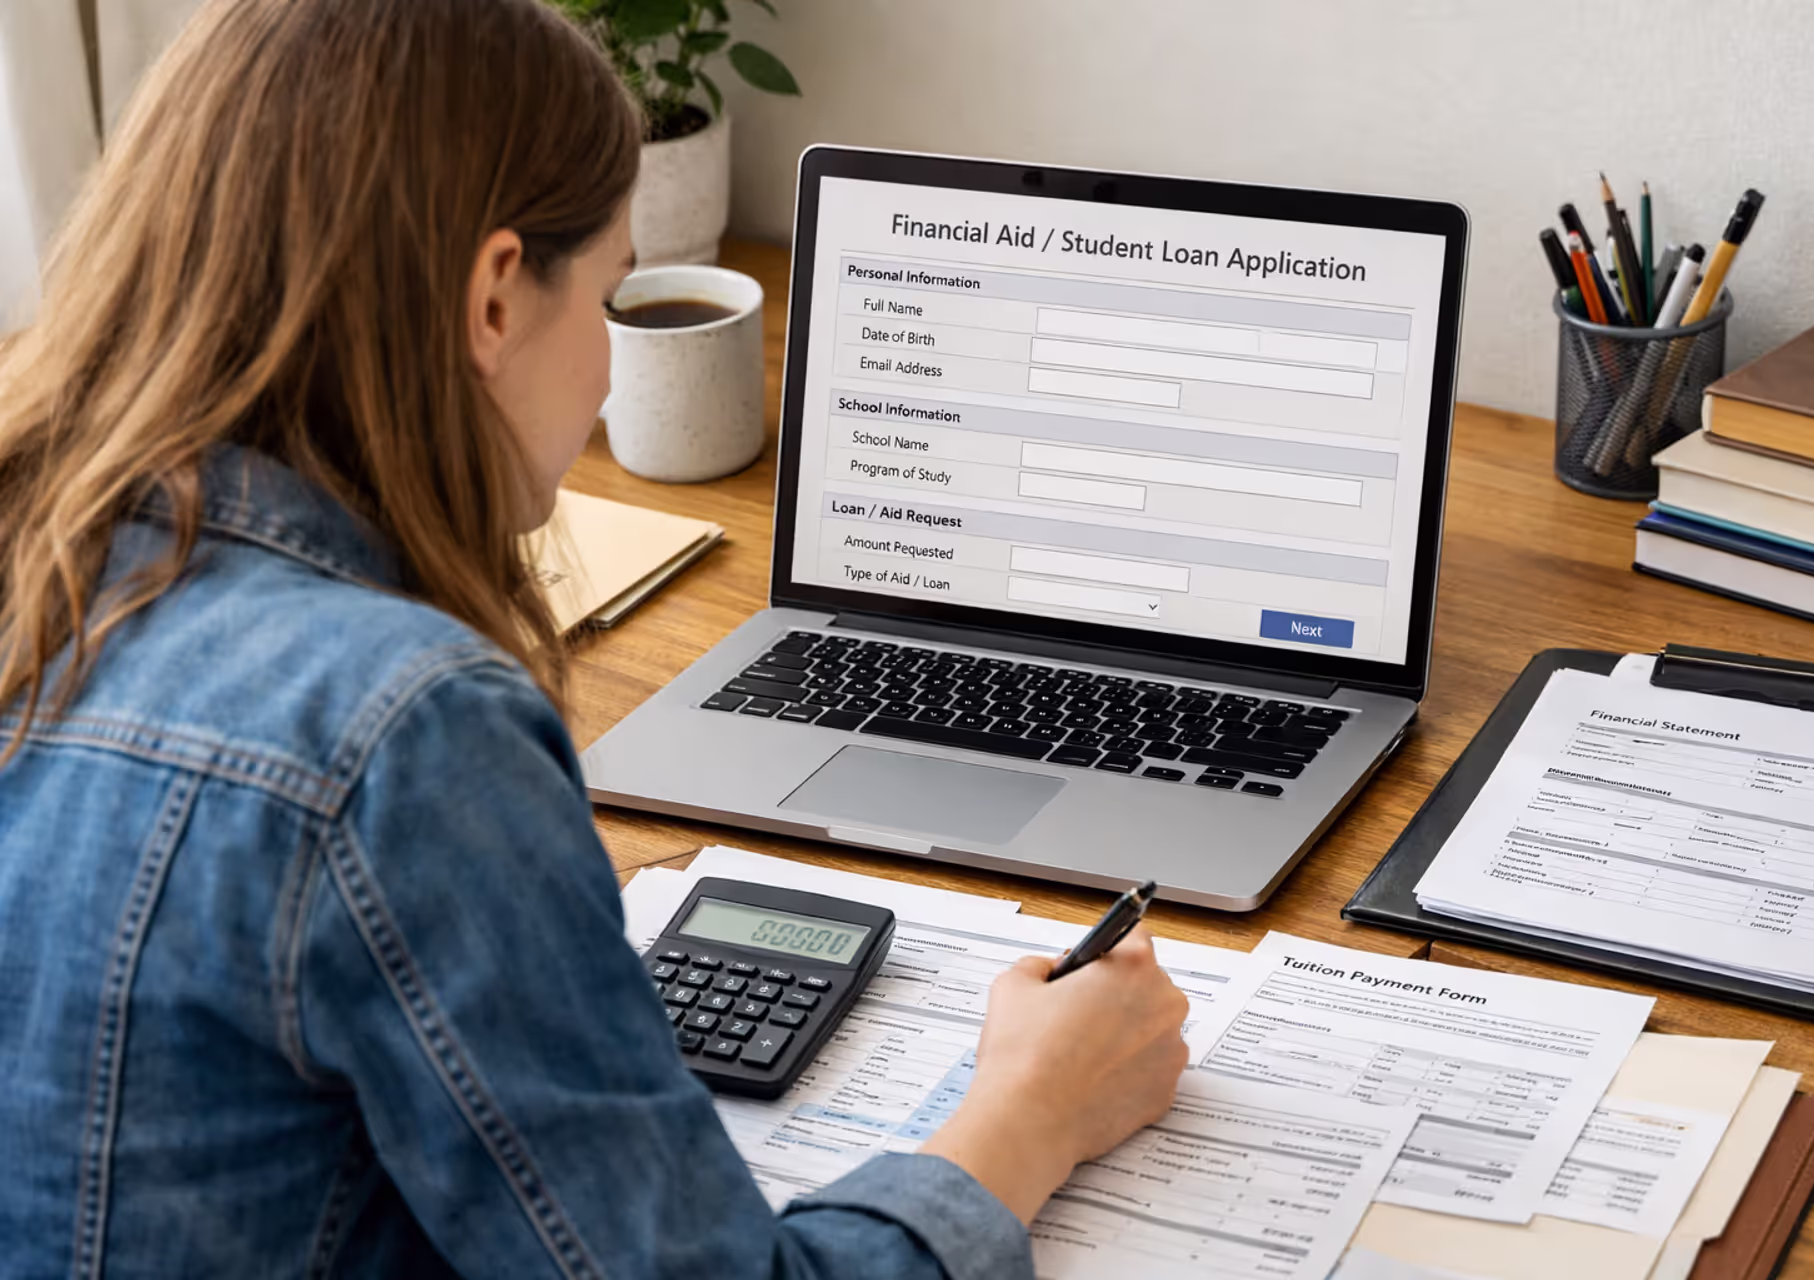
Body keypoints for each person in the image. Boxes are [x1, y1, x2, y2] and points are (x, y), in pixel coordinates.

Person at [0, 1, 1191, 1276]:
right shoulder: (404, 735)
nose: (615, 374)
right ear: (496, 298)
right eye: (612, 292)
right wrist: (1033, 1108)